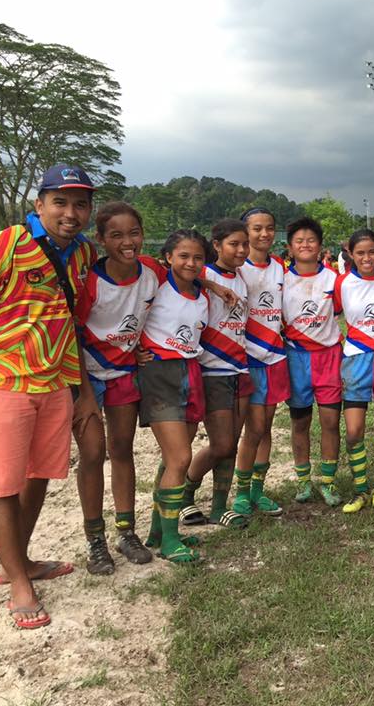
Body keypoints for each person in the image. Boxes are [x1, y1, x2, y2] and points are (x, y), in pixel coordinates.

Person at [0, 163, 99, 628]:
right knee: (0, 483)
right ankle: (19, 582)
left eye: (80, 204)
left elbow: (69, 322)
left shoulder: (81, 255)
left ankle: (20, 560)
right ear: (39, 205)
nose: (70, 212)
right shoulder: (6, 244)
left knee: (39, 475)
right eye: (60, 202)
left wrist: (80, 391)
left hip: (55, 383)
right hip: (3, 382)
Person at [74, 201, 159, 574]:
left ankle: (127, 532)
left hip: (124, 373)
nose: (128, 241)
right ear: (101, 240)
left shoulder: (152, 271)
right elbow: (72, 335)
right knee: (92, 454)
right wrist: (85, 391)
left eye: (134, 233)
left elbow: (186, 274)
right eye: (117, 235)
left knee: (122, 449)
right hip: (87, 375)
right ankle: (95, 539)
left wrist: (215, 288)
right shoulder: (90, 280)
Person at [137, 229, 212, 563]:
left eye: (197, 257)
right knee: (181, 458)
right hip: (159, 374)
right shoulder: (154, 284)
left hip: (191, 373)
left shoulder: (203, 295)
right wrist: (134, 349)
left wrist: (215, 285)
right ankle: (170, 541)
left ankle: (158, 530)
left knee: (173, 458)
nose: (190, 263)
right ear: (167, 257)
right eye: (183, 255)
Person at [179, 220, 253, 530]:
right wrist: (210, 284)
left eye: (244, 244)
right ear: (217, 245)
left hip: (241, 368)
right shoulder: (202, 274)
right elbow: (174, 277)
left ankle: (220, 506)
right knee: (221, 444)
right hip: (212, 369)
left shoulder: (242, 277)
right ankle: (184, 493)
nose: (241, 250)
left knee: (232, 443)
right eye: (233, 244)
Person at [334, 229, 374, 512]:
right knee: (354, 431)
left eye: (372, 251)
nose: (366, 258)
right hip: (356, 358)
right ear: (350, 253)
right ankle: (360, 490)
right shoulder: (342, 283)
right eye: (360, 253)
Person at [282, 217, 344, 505]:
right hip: (296, 357)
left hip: (328, 356)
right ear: (290, 248)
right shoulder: (281, 280)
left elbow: (345, 310)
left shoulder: (335, 279)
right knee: (300, 422)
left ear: (320, 246)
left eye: (311, 240)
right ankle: (304, 481)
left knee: (330, 421)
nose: (305, 245)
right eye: (299, 241)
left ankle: (328, 482)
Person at [234, 207, 288, 518]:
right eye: (257, 228)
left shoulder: (281, 267)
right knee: (252, 429)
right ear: (246, 231)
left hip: (275, 356)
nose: (264, 234)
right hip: (247, 357)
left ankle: (257, 489)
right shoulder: (236, 268)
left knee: (266, 427)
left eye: (269, 228)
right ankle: (240, 493)